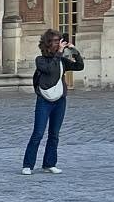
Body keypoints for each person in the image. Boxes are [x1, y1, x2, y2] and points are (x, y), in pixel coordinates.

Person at [22, 30, 85, 175]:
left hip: (60, 101)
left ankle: (49, 163)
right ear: (48, 44)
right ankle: (28, 165)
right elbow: (50, 69)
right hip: (44, 101)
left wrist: (74, 51)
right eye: (56, 41)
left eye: (59, 41)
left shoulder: (62, 60)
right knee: (38, 133)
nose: (58, 44)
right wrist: (59, 54)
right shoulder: (40, 60)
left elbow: (79, 66)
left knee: (54, 134)